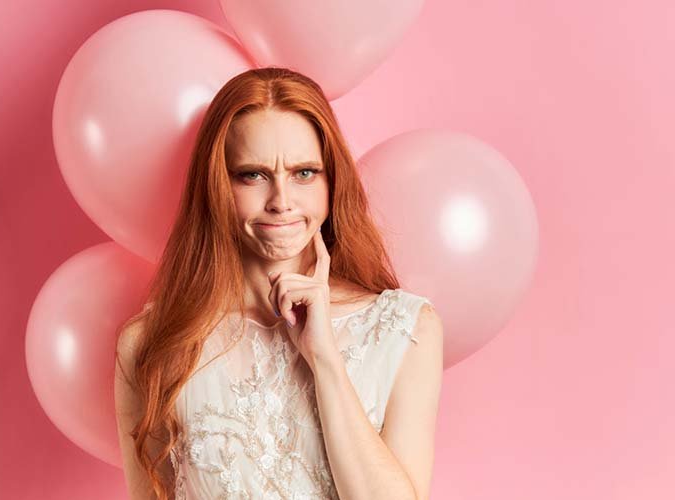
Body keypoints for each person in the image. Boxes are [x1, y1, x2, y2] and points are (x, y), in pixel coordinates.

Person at [114, 67, 443, 500]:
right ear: (217, 186)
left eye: (304, 172)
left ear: (332, 182)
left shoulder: (406, 328)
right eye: (253, 174)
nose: (282, 202)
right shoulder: (151, 344)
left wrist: (324, 357)